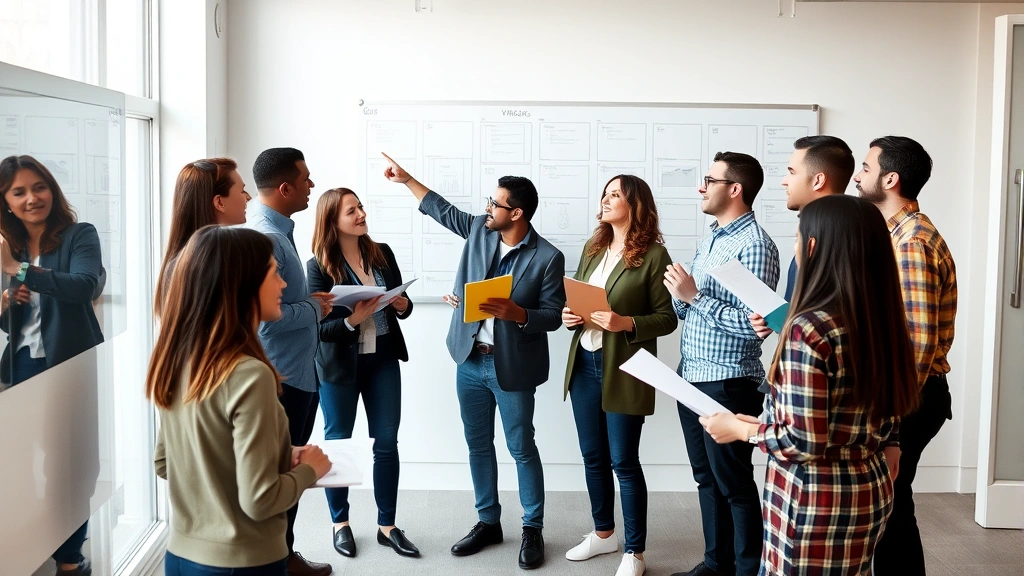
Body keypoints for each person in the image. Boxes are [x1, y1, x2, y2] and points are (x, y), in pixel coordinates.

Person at [701, 194, 919, 576]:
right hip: (870, 487)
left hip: (814, 500)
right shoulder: (879, 319)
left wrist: (739, 428)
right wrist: (891, 440)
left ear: (814, 247)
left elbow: (802, 442)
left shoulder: (809, 329)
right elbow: (884, 409)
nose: (796, 246)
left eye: (798, 237)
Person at [382, 152, 565, 570]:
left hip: (512, 367)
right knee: (477, 444)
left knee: (521, 448)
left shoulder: (548, 257)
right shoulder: (480, 231)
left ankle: (532, 528)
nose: (487, 209)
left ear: (515, 213)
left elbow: (554, 316)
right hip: (468, 359)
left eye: (495, 203)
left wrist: (518, 314)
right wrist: (408, 179)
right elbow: (442, 211)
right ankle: (488, 522)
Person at [148, 225, 332, 576]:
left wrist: (275, 457)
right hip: (244, 563)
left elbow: (166, 463)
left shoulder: (180, 359)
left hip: (180, 556)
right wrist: (310, 470)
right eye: (274, 273)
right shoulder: (250, 375)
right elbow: (261, 501)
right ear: (242, 284)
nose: (283, 285)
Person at [664, 152, 780, 576]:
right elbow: (690, 310)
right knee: (706, 479)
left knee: (734, 484)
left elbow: (755, 326)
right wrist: (680, 294)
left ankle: (748, 569)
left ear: (735, 189)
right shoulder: (713, 237)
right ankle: (717, 565)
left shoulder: (755, 246)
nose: (701, 187)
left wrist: (694, 295)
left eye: (709, 180)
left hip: (728, 382)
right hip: (691, 376)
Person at [561, 175, 677, 576]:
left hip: (624, 369)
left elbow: (667, 318)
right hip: (585, 365)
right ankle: (604, 533)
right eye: (605, 194)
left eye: (615, 195)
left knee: (624, 461)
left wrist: (625, 322)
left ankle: (636, 552)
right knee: (593, 456)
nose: (606, 200)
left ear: (635, 205)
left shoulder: (653, 255)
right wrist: (570, 317)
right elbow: (577, 300)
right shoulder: (592, 248)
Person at [854, 136, 957, 576]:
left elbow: (916, 344)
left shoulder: (911, 242)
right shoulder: (896, 234)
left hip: (910, 398)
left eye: (865, 167)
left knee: (891, 511)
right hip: (906, 395)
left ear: (889, 179)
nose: (858, 176)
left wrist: (890, 422)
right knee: (892, 508)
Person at [0, 154, 106, 576]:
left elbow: (85, 287)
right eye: (19, 192)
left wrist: (19, 270)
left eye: (38, 187)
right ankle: (25, 548)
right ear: (6, 201)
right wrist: (7, 302)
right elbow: (10, 326)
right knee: (20, 464)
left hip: (70, 368)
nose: (31, 198)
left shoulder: (79, 235)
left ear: (52, 189)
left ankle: (68, 558)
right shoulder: (9, 243)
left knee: (71, 464)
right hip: (20, 368)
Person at [306, 187, 418, 559]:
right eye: (351, 210)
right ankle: (341, 523)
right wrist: (354, 319)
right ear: (332, 221)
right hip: (340, 365)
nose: (360, 214)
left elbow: (402, 307)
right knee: (338, 443)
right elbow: (318, 328)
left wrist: (402, 303)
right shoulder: (318, 267)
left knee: (386, 442)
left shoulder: (381, 252)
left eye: (360, 207)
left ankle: (388, 526)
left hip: (382, 359)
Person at [244, 147, 334, 576]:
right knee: (282, 477)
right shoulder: (266, 238)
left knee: (287, 473)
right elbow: (267, 320)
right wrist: (316, 307)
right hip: (284, 377)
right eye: (306, 178)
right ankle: (275, 562)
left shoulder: (278, 231)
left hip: (298, 372)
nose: (311, 185)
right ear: (285, 188)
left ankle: (283, 556)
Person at [749, 136, 853, 338]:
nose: (784, 181)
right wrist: (778, 320)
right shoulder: (817, 229)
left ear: (818, 180)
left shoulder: (841, 240)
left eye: (792, 172)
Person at [155, 157, 251, 316]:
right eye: (241, 190)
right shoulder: (213, 266)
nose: (247, 197)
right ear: (220, 202)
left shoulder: (181, 262)